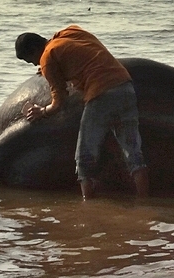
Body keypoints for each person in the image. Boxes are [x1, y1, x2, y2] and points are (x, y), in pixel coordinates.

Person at [15, 26, 149, 199]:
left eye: (30, 60)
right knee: (133, 151)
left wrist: (42, 111)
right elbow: (77, 56)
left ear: (34, 50)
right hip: (125, 86)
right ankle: (144, 201)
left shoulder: (48, 57)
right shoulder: (70, 32)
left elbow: (59, 102)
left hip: (101, 94)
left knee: (84, 156)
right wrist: (50, 67)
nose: (34, 64)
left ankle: (87, 204)